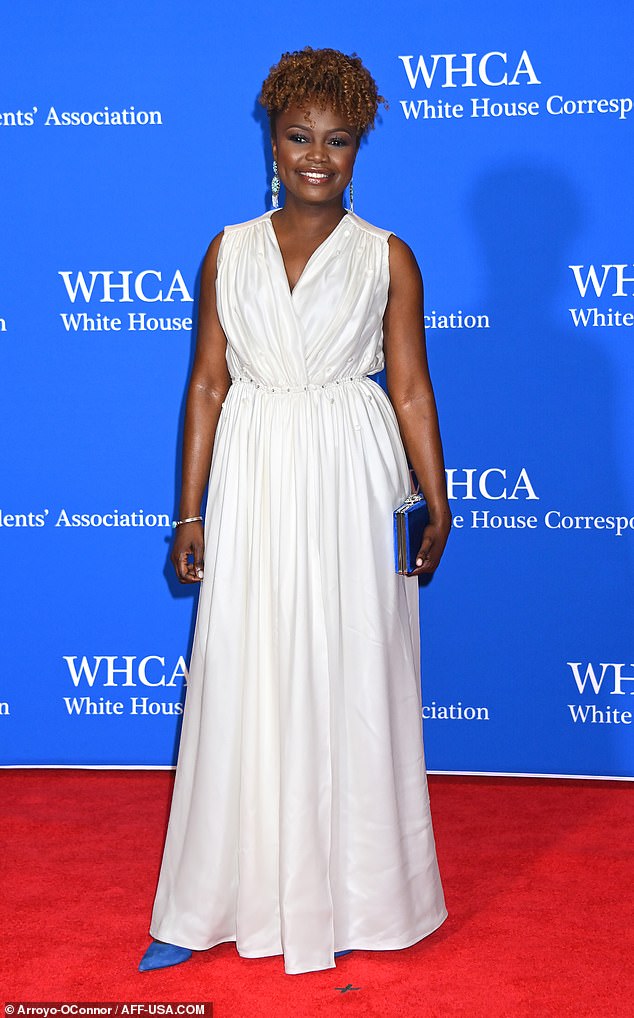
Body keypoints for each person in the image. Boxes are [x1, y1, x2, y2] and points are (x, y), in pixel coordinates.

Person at [139, 46, 452, 977]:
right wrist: (189, 514)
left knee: (352, 664)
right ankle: (212, 895)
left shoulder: (389, 256)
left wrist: (438, 496)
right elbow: (205, 385)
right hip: (255, 463)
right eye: (299, 136)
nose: (318, 155)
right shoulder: (226, 249)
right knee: (245, 663)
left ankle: (362, 895)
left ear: (360, 148)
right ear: (272, 140)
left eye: (339, 140)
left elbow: (410, 391)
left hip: (350, 474)